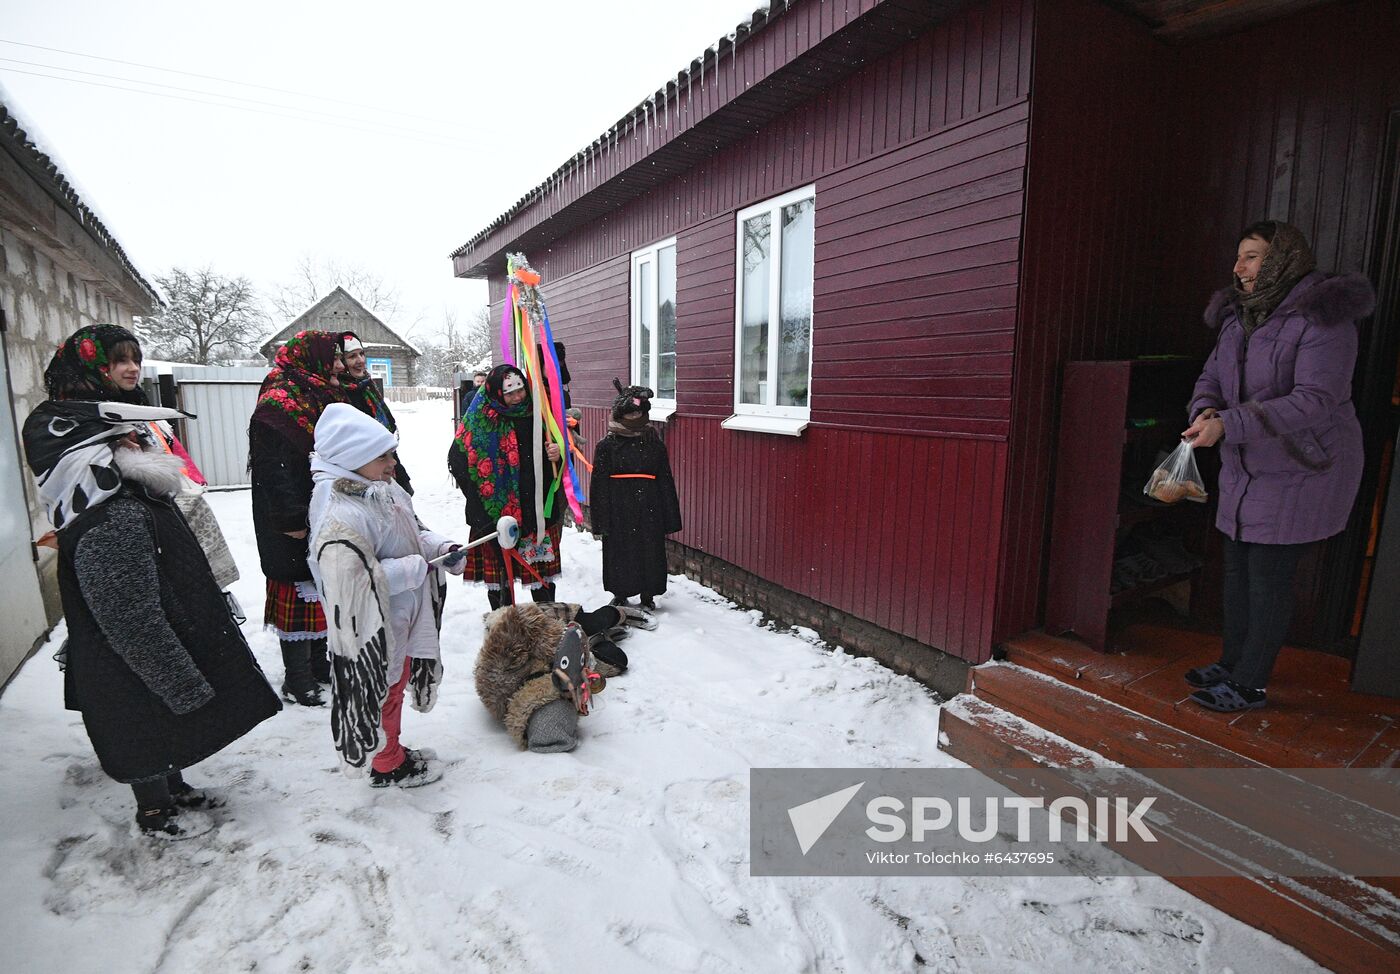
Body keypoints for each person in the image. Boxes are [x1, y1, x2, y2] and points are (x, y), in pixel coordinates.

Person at [21, 397, 281, 839]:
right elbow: (131, 621)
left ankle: (173, 788)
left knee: (165, 730)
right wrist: (181, 682)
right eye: (126, 438)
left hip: (152, 649)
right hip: (130, 665)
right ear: (97, 455)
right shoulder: (113, 518)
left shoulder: (131, 499)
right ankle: (156, 812)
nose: (141, 442)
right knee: (143, 729)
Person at [1181, 220, 1374, 712]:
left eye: (1251, 256)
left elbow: (1317, 399)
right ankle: (1232, 662)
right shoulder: (1237, 317)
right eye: (1239, 256)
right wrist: (1205, 409)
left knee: (1268, 577)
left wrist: (1230, 423)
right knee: (1239, 571)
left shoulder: (1322, 319)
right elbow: (1212, 376)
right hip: (1247, 464)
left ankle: (1250, 682)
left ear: (1283, 258)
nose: (1237, 267)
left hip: (1303, 465)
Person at [307, 404, 460, 787]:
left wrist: (441, 547)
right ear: (353, 458)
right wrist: (414, 568)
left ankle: (390, 748)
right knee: (382, 692)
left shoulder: (381, 488)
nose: (393, 462)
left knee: (395, 683)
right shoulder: (338, 510)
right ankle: (387, 762)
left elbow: (413, 531)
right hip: (374, 629)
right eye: (383, 456)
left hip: (403, 614)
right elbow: (348, 579)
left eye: (392, 452)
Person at [43, 325, 241, 597]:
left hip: (156, 546)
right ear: (94, 364)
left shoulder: (130, 412)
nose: (133, 368)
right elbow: (86, 497)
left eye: (136, 360)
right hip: (114, 554)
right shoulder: (65, 425)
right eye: (121, 360)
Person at [248, 330, 346, 705]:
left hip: (320, 510)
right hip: (289, 520)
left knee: (320, 588)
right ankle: (297, 677)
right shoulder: (278, 406)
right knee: (297, 593)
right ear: (312, 361)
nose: (338, 365)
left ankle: (319, 666)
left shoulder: (315, 395)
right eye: (332, 358)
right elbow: (273, 469)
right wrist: (292, 518)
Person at [448, 364, 566, 607]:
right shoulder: (480, 418)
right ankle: (505, 625)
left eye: (521, 390)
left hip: (535, 507)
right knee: (500, 582)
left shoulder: (538, 414)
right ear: (496, 393)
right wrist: (480, 493)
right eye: (510, 393)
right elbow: (457, 459)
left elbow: (555, 452)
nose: (517, 397)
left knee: (541, 578)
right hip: (495, 513)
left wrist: (558, 453)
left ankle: (546, 622)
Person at [474, 601, 635, 753]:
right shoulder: (560, 689)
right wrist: (585, 658)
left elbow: (522, 621)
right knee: (616, 661)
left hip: (537, 617)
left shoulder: (501, 684)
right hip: (556, 643)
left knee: (593, 622)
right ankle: (600, 637)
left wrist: (563, 643)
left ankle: (619, 613)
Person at [590, 380, 682, 609]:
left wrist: (669, 515)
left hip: (649, 506)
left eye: (638, 413)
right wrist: (600, 518)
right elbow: (598, 484)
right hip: (618, 507)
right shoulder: (607, 446)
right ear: (620, 414)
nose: (634, 417)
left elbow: (665, 480)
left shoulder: (654, 444)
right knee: (619, 551)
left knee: (649, 550)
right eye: (630, 413)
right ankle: (620, 593)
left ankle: (647, 594)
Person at [338, 331, 412, 494]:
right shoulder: (339, 394)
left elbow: (383, 436)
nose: (360, 361)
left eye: (362, 354)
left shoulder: (367, 386)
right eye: (352, 356)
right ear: (342, 361)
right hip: (362, 474)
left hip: (385, 464)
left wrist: (401, 474)